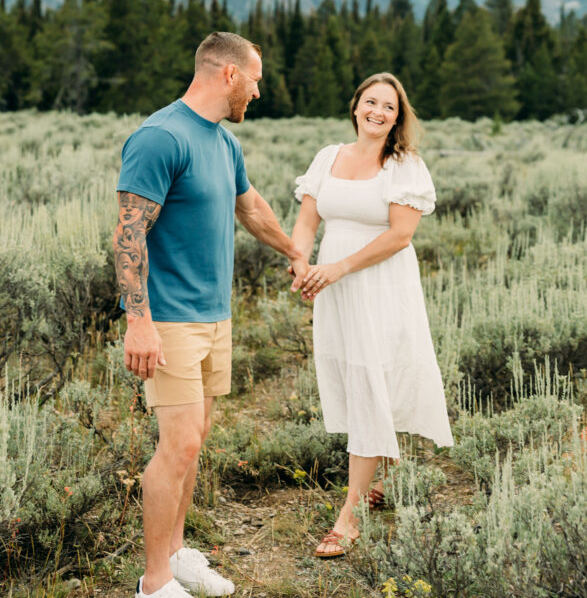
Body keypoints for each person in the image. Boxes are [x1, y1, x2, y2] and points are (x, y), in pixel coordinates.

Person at [114, 31, 306, 598]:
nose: (258, 92)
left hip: (214, 316)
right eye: (255, 80)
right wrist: (138, 321)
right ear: (228, 75)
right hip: (169, 319)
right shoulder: (160, 137)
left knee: (196, 438)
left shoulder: (223, 142)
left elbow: (250, 207)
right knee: (178, 446)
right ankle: (154, 583)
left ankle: (176, 556)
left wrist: (295, 251)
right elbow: (129, 234)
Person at [291, 71, 453, 558]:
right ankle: (384, 476)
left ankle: (350, 516)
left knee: (368, 382)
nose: (378, 112)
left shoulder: (404, 164)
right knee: (356, 374)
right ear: (356, 105)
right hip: (334, 287)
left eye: (389, 106)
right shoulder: (328, 156)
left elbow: (400, 235)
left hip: (379, 283)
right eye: (371, 102)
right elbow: (305, 222)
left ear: (398, 117)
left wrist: (337, 267)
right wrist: (301, 262)